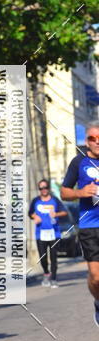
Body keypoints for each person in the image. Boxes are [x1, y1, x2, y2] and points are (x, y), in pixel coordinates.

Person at [61, 120, 99, 323]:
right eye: (93, 138)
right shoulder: (79, 162)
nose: (97, 142)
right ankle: (98, 303)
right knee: (96, 277)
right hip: (90, 226)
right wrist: (80, 192)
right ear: (87, 141)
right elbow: (64, 192)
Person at [29, 179, 68, 288]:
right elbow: (30, 213)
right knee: (43, 257)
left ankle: (54, 279)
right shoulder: (35, 201)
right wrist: (35, 217)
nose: (44, 190)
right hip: (40, 234)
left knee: (54, 257)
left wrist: (56, 214)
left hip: (54, 233)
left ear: (48, 188)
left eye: (45, 187)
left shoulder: (55, 200)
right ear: (39, 189)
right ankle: (46, 272)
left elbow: (64, 212)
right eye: (41, 188)